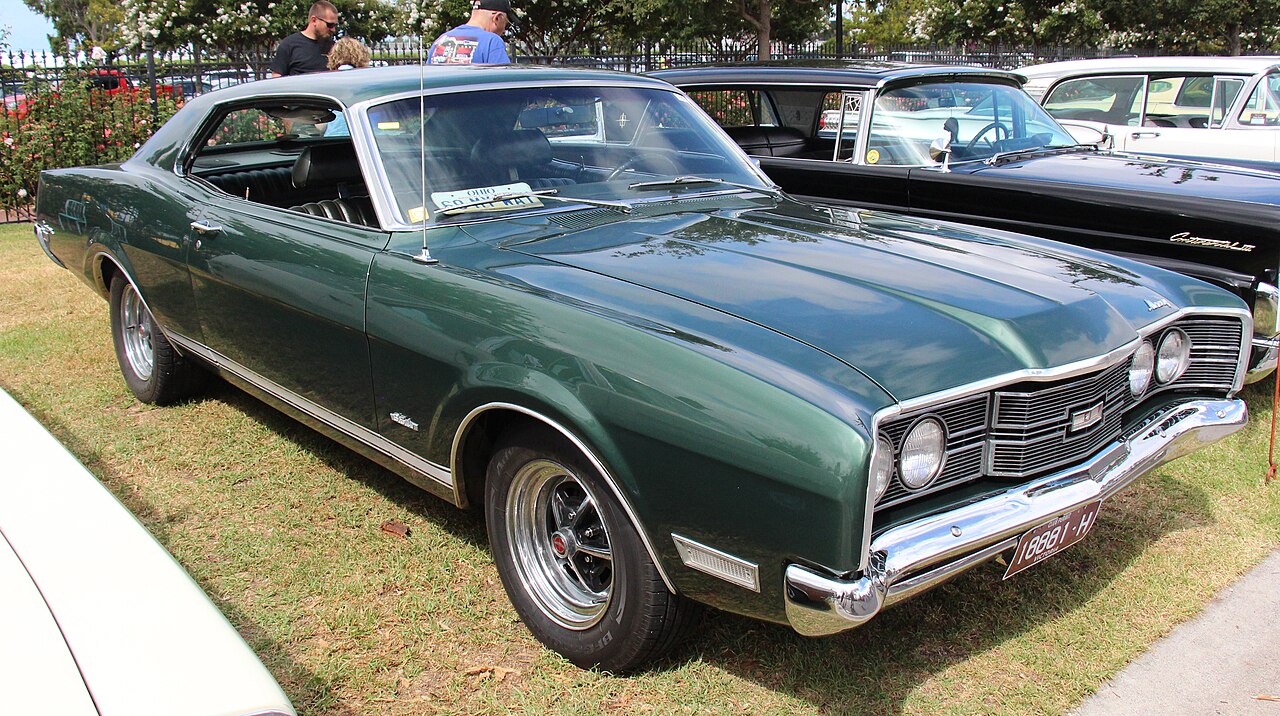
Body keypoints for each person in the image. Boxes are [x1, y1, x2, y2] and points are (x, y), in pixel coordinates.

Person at [428, 0, 513, 65]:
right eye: (506, 24)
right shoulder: (492, 42)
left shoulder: (440, 41)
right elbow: (504, 80)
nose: (504, 30)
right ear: (497, 18)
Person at [269, 1, 340, 77]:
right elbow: (277, 77)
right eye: (330, 25)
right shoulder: (289, 45)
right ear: (314, 20)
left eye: (335, 25)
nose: (333, 29)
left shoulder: (334, 47)